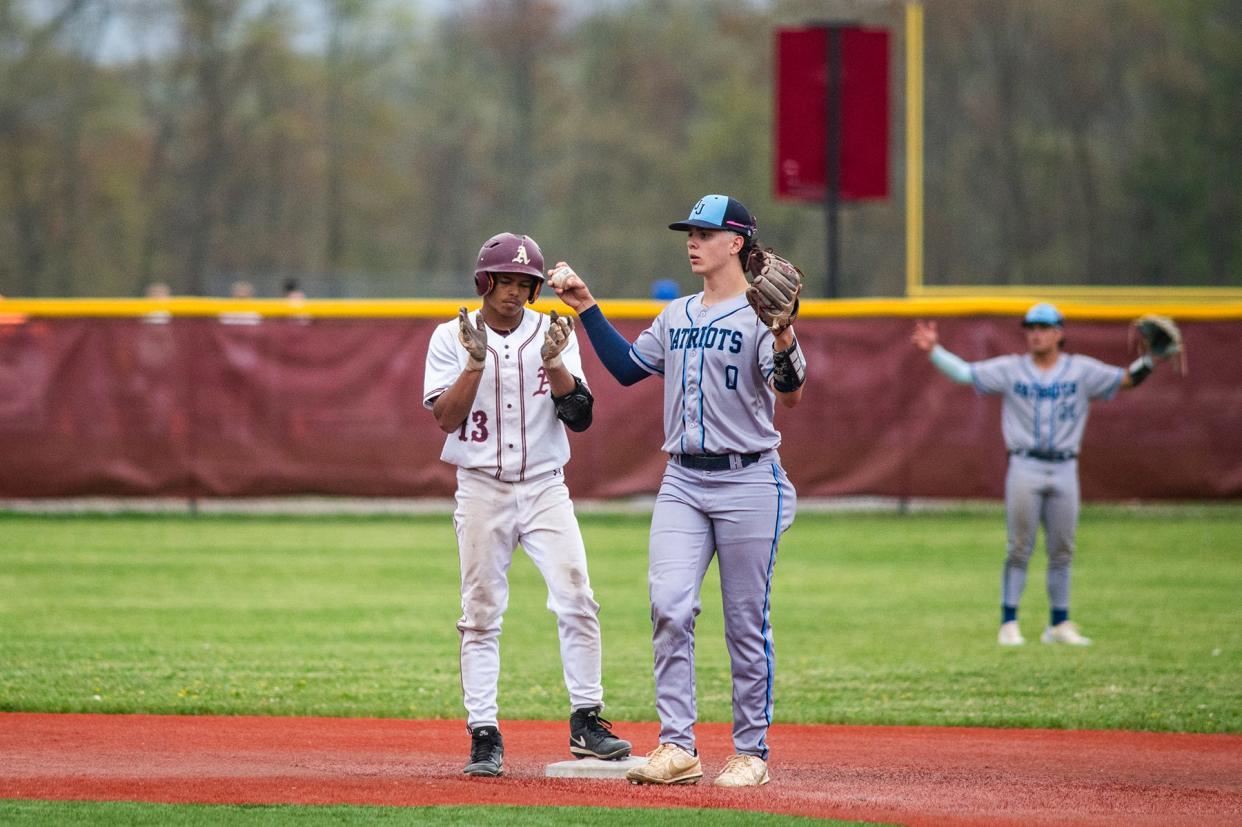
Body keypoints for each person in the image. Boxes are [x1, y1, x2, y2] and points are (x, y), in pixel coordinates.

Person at [549, 194, 806, 788]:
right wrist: (586, 306)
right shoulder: (679, 314)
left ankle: (750, 752)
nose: (692, 240)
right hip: (683, 480)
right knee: (668, 606)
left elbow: (789, 394)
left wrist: (786, 334)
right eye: (689, 232)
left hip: (749, 478)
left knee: (745, 621)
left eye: (704, 232)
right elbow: (627, 369)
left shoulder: (762, 314)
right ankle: (676, 746)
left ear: (735, 242)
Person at [421, 232, 631, 778]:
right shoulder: (452, 336)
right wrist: (472, 365)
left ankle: (587, 720)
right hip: (481, 487)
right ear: (484, 281)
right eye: (505, 280)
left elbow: (580, 417)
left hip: (544, 485)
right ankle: (483, 734)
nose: (514, 292)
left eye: (524, 283)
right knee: (481, 614)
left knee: (578, 596)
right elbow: (445, 419)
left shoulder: (554, 330)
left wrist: (557, 363)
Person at [911, 303, 1163, 647]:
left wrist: (1151, 359)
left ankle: (1059, 623)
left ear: (1059, 333)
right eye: (1030, 327)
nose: (1035, 333)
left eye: (1043, 327)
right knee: (1018, 547)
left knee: (1062, 550)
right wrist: (934, 351)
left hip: (1064, 465)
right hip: (1025, 464)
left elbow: (1127, 380)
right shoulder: (1014, 369)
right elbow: (966, 374)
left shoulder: (1080, 371)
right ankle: (1009, 622)